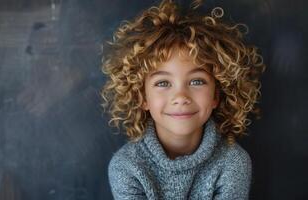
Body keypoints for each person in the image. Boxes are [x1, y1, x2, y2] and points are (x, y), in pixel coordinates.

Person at [100, 0, 265, 199]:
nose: (180, 97)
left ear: (216, 96)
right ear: (142, 98)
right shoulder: (126, 166)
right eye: (163, 83)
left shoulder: (233, 162)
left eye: (196, 81)